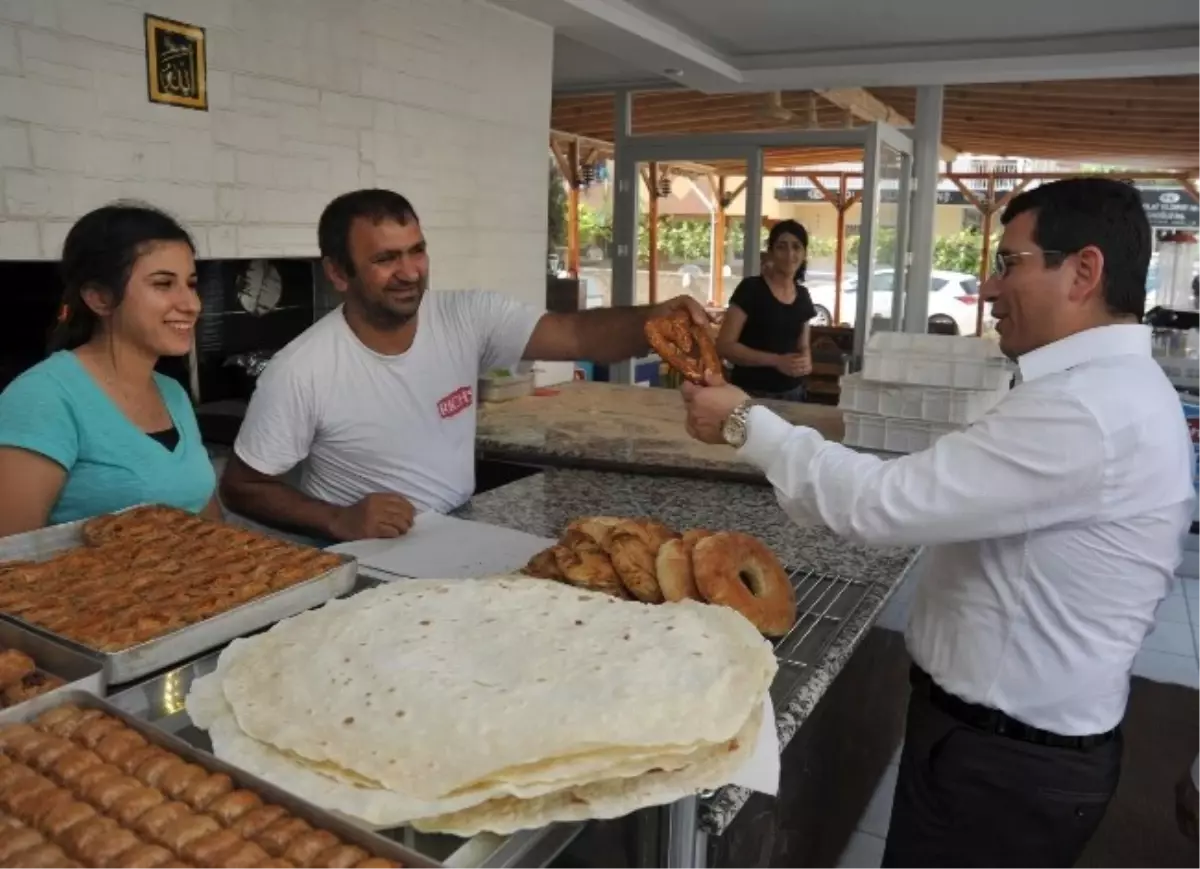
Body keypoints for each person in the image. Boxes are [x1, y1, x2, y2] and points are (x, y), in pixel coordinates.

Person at [679, 178, 1194, 869]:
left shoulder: (1085, 410)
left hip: (1005, 764)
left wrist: (746, 423)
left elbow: (878, 502)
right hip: (1010, 746)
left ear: (1085, 270)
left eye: (1009, 263)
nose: (987, 288)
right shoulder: (1107, 393)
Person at [220, 188, 708, 543]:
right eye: (386, 259)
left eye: (417, 251)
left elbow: (577, 334)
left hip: (460, 533)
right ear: (337, 273)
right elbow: (242, 486)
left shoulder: (466, 317)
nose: (410, 273)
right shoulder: (302, 370)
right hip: (363, 558)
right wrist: (338, 519)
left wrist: (652, 318)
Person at [0, 203, 219, 536]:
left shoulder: (171, 392)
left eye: (190, 284)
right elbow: (9, 563)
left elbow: (207, 518)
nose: (191, 304)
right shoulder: (43, 398)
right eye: (163, 284)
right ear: (99, 298)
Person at [715, 219, 816, 401]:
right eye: (781, 247)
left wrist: (806, 360)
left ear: (803, 254)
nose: (789, 254)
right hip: (748, 395)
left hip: (793, 395)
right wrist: (776, 361)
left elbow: (803, 346)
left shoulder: (803, 296)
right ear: (770, 252)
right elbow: (724, 346)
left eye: (796, 247)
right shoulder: (751, 289)